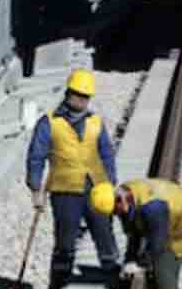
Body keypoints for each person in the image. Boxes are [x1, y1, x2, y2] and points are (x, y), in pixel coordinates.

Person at [27, 69, 120, 287]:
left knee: (104, 236)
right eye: (78, 94)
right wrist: (35, 190)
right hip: (64, 191)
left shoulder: (95, 122)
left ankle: (115, 281)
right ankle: (58, 283)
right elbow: (36, 156)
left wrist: (110, 183)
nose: (82, 100)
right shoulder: (48, 123)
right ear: (68, 93)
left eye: (86, 96)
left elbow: (106, 153)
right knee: (65, 242)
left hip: (96, 189)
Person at [88, 178, 182, 289]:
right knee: (153, 267)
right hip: (165, 222)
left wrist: (140, 264)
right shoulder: (125, 195)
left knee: (163, 270)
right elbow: (133, 232)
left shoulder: (152, 208)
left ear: (119, 201)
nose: (115, 215)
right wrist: (130, 259)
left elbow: (157, 244)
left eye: (114, 211)